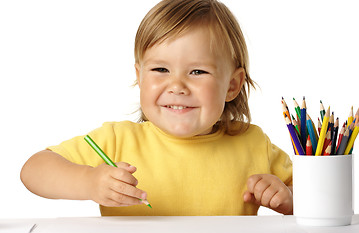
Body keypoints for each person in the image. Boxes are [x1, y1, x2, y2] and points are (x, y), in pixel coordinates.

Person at [20, 0, 293, 216]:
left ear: (232, 85)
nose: (177, 86)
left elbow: (322, 196)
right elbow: (33, 170)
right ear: (140, 77)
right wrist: (89, 182)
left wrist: (288, 199)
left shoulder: (253, 143)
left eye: (197, 71)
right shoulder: (118, 141)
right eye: (160, 69)